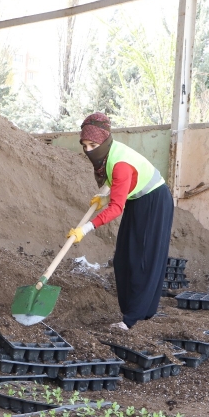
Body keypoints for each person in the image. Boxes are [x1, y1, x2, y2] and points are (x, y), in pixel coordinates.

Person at [68, 112, 174, 330]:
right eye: (85, 145)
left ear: (104, 140)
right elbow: (121, 189)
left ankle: (131, 319)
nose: (88, 150)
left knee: (141, 259)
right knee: (123, 258)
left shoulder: (119, 164)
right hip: (138, 199)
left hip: (154, 202)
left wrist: (85, 229)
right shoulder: (107, 156)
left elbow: (116, 208)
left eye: (93, 144)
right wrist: (105, 197)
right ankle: (138, 312)